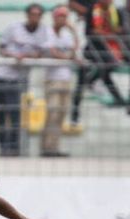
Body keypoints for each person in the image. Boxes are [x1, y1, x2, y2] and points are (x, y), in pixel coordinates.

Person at [0, 3, 49, 157]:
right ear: (27, 15)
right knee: (1, 115)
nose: (35, 18)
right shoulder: (14, 28)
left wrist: (30, 56)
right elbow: (0, 48)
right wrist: (13, 56)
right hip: (3, 76)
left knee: (15, 115)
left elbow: (44, 52)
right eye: (32, 14)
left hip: (19, 79)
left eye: (38, 15)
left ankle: (14, 149)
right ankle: (3, 148)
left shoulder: (44, 32)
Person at [70, 0, 126, 126]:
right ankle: (74, 114)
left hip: (108, 48)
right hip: (92, 47)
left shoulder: (116, 11)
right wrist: (99, 33)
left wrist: (113, 32)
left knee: (109, 67)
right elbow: (88, 32)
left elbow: (121, 30)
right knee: (80, 81)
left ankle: (95, 83)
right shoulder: (92, 10)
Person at [41, 5, 77, 157]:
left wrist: (74, 31)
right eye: (60, 16)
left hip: (66, 78)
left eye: (65, 16)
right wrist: (67, 57)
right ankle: (47, 148)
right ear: (54, 17)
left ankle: (54, 147)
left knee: (61, 114)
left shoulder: (67, 35)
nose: (63, 19)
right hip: (53, 79)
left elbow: (74, 51)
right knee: (52, 113)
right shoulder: (47, 32)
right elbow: (53, 52)